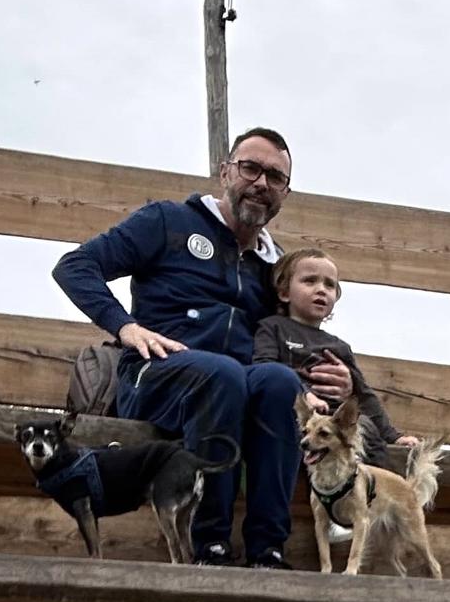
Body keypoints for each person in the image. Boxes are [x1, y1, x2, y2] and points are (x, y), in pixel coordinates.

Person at [50, 127, 353, 566]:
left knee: (277, 381)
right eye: (250, 168)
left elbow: (294, 340)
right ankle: (210, 544)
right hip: (155, 377)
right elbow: (75, 267)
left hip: (235, 392)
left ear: (285, 193)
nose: (261, 183)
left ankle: (268, 549)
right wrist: (126, 328)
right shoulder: (168, 222)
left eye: (275, 177)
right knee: (225, 373)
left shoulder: (276, 265)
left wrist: (337, 381)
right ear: (225, 171)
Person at [249, 247, 422, 475]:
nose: (321, 290)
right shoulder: (272, 328)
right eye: (310, 281)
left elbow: (363, 394)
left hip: (337, 422)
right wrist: (304, 393)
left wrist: (393, 436)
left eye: (329, 285)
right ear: (284, 292)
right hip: (298, 418)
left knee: (365, 429)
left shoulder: (338, 346)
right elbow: (264, 364)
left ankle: (369, 490)